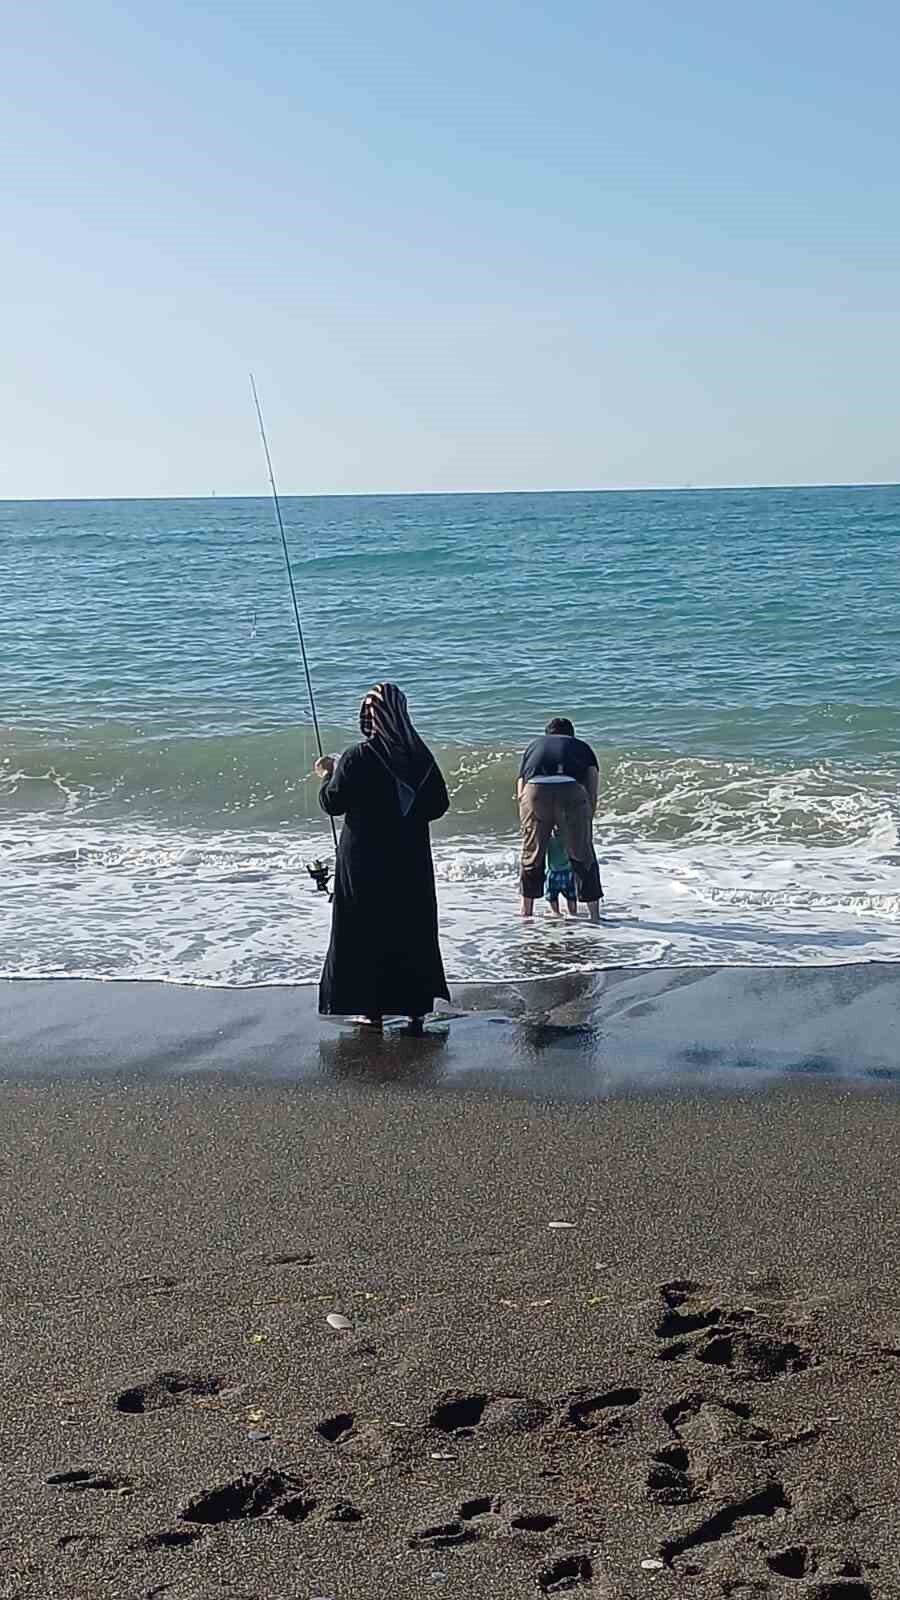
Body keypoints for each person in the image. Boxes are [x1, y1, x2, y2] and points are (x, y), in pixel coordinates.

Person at [315, 682, 451, 1028]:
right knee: (411, 928)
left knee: (365, 930)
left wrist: (328, 775)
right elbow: (438, 806)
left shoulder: (358, 756)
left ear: (369, 716)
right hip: (410, 861)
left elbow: (333, 802)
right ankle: (415, 1010)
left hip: (364, 861)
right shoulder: (421, 757)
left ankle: (371, 1010)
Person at [517, 716, 603, 922]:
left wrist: (527, 817)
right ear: (571, 734)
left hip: (534, 791)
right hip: (570, 789)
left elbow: (520, 786)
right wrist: (587, 816)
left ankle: (526, 913)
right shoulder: (581, 747)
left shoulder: (533, 746)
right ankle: (594, 915)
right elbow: (591, 784)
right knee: (583, 854)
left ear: (547, 735)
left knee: (532, 854)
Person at [545, 828, 578, 917]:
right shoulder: (568, 838)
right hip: (568, 872)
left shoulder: (549, 840)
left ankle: (556, 914)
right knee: (571, 897)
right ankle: (573, 916)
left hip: (553, 872)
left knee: (552, 897)